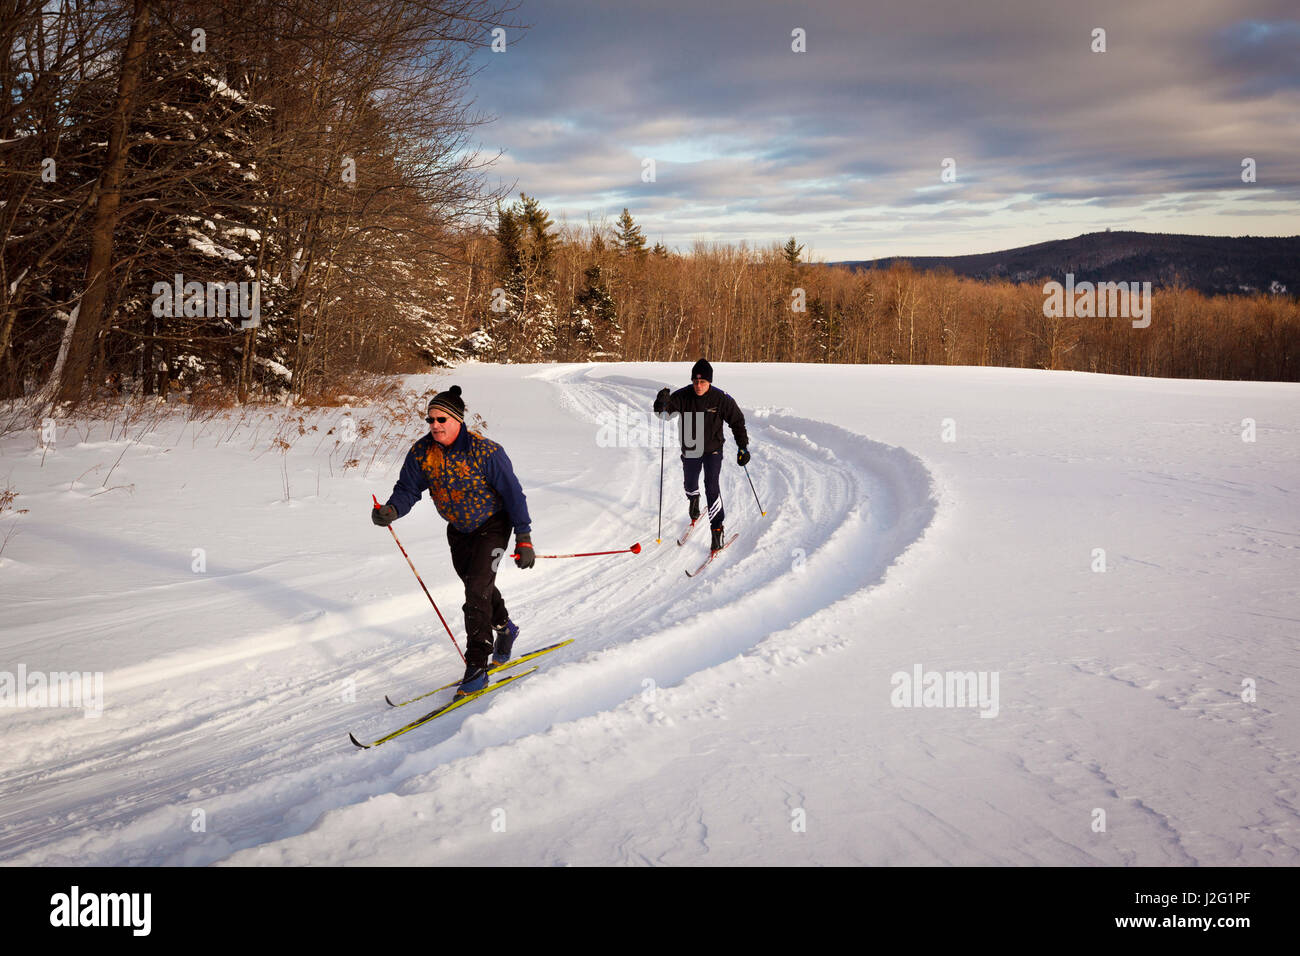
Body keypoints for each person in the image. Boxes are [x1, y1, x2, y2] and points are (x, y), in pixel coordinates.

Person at [371, 385, 534, 697]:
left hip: (494, 524)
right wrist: (392, 509)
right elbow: (408, 488)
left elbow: (514, 494)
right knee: (478, 586)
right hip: (459, 529)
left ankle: (476, 665)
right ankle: (505, 628)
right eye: (430, 419)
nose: (435, 425)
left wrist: (524, 537)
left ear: (458, 419)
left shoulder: (486, 452)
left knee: (476, 591)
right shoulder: (423, 453)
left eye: (441, 419)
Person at [653, 358, 750, 552]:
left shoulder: (721, 399)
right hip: (691, 449)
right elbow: (663, 414)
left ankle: (717, 530)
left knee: (712, 487)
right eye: (695, 382)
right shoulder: (682, 396)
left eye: (703, 382)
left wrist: (742, 447)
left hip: (713, 449)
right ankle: (693, 499)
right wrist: (660, 402)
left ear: (710, 382)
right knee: (690, 483)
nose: (698, 386)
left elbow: (737, 422)